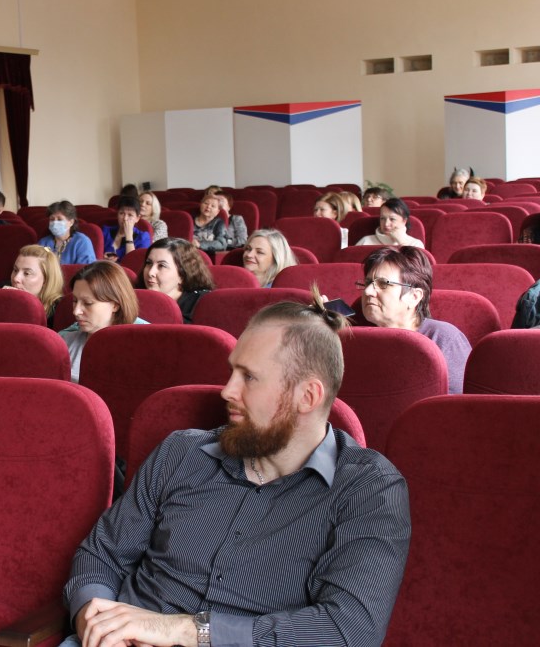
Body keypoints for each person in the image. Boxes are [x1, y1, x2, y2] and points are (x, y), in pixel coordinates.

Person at [61, 294, 411, 647]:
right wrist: (97, 621)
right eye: (232, 371)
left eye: (249, 377)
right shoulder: (181, 451)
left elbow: (349, 630)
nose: (227, 391)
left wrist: (186, 630)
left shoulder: (368, 489)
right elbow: (101, 554)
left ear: (308, 397)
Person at [360, 246, 470, 394]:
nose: (368, 291)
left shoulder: (444, 339)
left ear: (414, 297)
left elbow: (455, 404)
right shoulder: (355, 336)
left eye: (383, 284)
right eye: (368, 283)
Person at [59, 261, 147, 384]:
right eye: (74, 301)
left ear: (115, 305)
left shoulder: (141, 348)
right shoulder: (63, 343)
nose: (76, 311)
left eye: (88, 303)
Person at [138, 238, 215, 324]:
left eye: (162, 265)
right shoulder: (135, 297)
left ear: (183, 273)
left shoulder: (202, 304)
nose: (150, 272)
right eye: (149, 263)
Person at [6, 244, 64, 324]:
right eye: (15, 270)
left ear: (46, 279)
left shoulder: (60, 310)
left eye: (27, 273)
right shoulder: (2, 292)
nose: (16, 278)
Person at [38, 201, 97, 265]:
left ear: (71, 222)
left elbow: (86, 268)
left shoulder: (82, 241)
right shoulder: (43, 242)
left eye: (59, 219)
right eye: (52, 219)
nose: (55, 222)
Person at [355, 198, 424, 248]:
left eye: (392, 219)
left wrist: (402, 242)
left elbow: (415, 264)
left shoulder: (415, 244)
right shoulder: (366, 241)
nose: (386, 224)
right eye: (382, 218)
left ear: (404, 221)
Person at [102, 196, 152, 261]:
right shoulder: (106, 231)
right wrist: (103, 258)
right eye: (121, 213)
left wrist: (129, 236)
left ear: (137, 218)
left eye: (130, 215)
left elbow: (133, 262)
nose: (125, 218)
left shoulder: (143, 237)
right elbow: (96, 256)